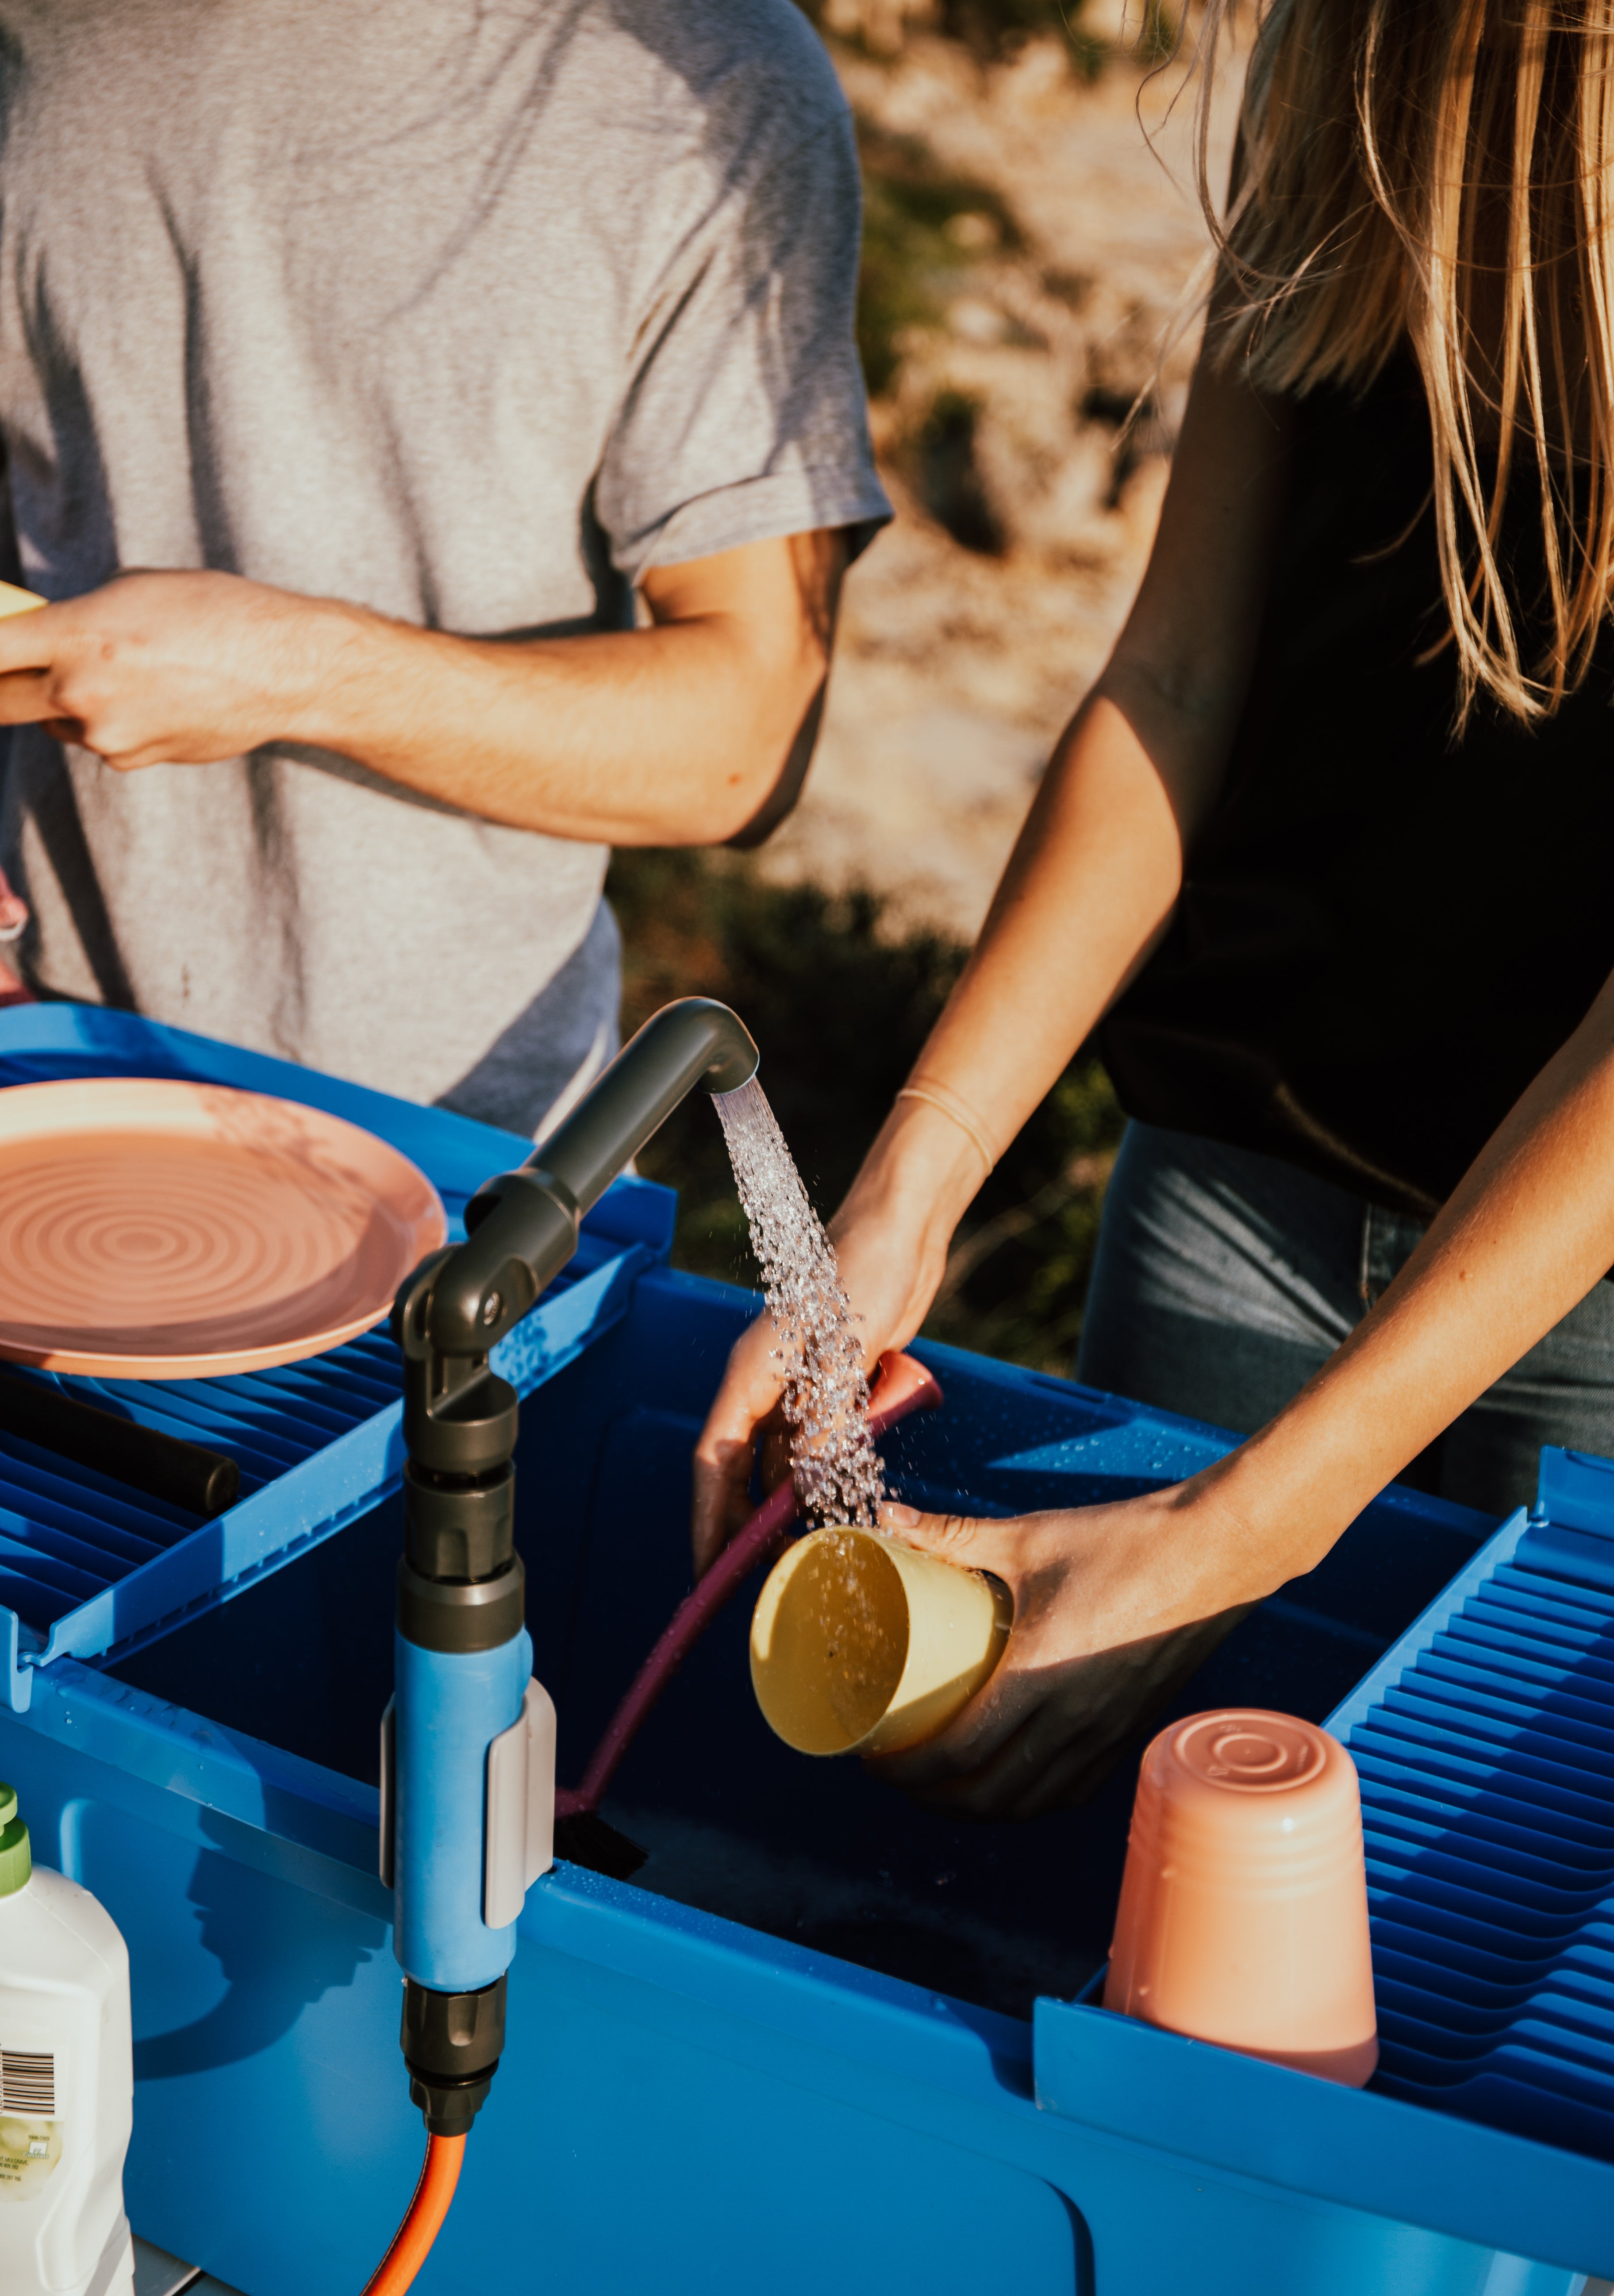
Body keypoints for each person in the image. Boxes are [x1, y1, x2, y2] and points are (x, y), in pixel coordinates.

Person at [694, 0, 1614, 1819]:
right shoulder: (1357, 71)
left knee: (1450, 1950)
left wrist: (1247, 1525)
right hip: (1233, 1187)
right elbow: (1176, 685)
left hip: (1586, 1315)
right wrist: (897, 1200)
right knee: (1104, 1878)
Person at [0, 0, 887, 1136]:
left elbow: (743, 744)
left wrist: (299, 674)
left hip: (463, 1156)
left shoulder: (708, 67)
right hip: (40, 1063)